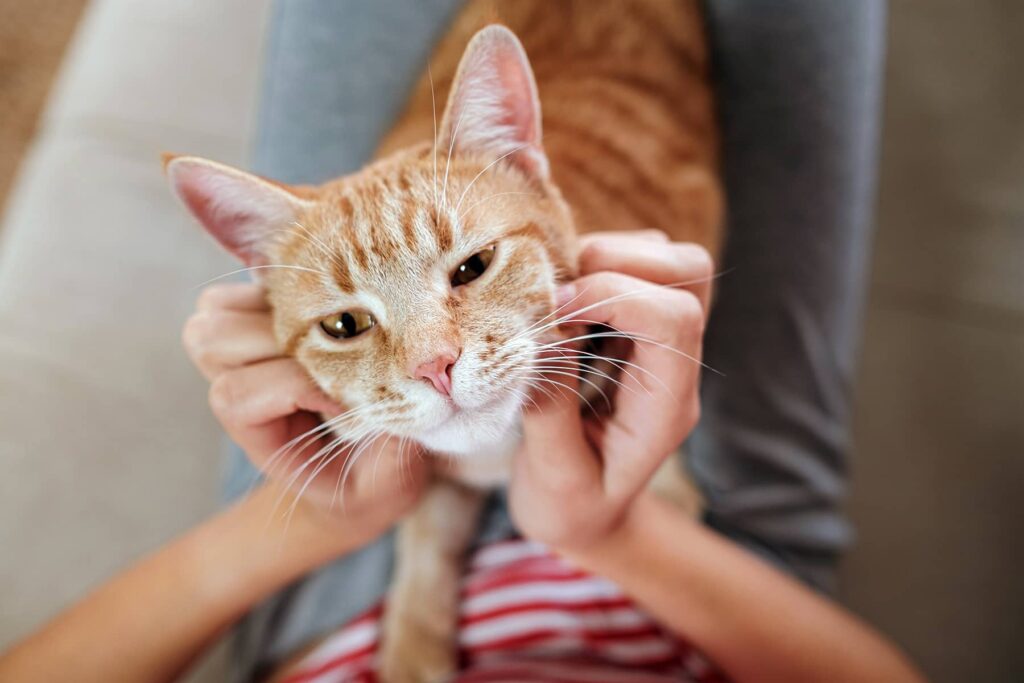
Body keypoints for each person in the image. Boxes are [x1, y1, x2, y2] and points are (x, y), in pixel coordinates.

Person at [1, 1, 915, 682]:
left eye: (468, 269)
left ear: (527, 166)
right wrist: (615, 532)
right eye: (354, 322)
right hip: (734, 578)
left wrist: (323, 520)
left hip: (326, 566)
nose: (431, 360)